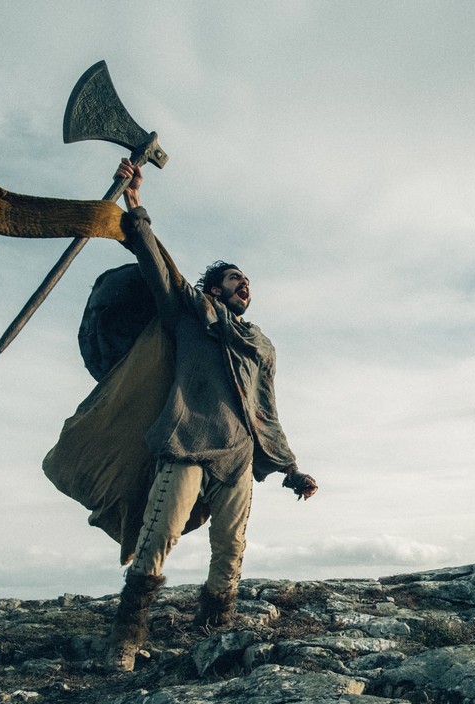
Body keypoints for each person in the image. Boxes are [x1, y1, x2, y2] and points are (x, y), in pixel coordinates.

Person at [106, 158, 317, 671]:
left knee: (231, 547)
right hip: (186, 442)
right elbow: (157, 265)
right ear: (214, 287)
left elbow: (265, 408)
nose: (245, 285)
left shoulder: (259, 343)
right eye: (235, 279)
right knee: (158, 536)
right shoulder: (187, 314)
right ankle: (125, 641)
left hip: (238, 456)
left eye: (248, 281)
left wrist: (290, 468)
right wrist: (135, 203)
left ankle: (214, 632)